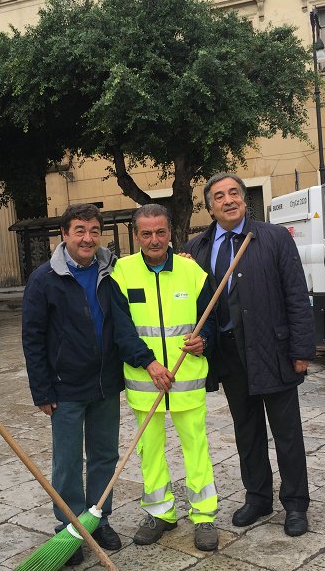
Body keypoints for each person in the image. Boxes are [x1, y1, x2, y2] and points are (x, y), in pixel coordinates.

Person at [183, 172, 314, 537]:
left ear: (244, 199)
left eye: (234, 193)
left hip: (272, 350)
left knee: (287, 433)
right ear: (210, 207)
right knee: (247, 431)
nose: (228, 200)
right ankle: (258, 497)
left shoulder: (273, 237)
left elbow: (295, 294)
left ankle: (295, 504)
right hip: (228, 355)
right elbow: (193, 303)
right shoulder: (197, 248)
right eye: (220, 196)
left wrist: (301, 349)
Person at [21, 204, 125, 566]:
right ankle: (70, 528)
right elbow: (32, 337)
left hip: (106, 384)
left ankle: (99, 519)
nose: (87, 237)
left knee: (104, 457)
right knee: (67, 462)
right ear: (64, 235)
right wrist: (42, 390)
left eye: (94, 230)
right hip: (65, 388)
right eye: (79, 230)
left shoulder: (113, 271)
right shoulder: (44, 278)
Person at [111, 204, 219, 552]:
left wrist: (206, 341)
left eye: (160, 232)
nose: (154, 239)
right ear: (136, 235)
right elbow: (121, 329)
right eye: (146, 233)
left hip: (187, 380)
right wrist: (149, 363)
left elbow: (213, 320)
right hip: (145, 382)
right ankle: (160, 513)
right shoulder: (121, 274)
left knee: (196, 448)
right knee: (150, 450)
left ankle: (203, 517)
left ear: (170, 232)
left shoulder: (192, 271)